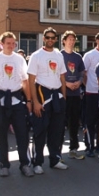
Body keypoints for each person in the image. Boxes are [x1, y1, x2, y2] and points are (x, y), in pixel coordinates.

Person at [0, 32, 34, 177]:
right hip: (0, 100)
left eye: (13, 43)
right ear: (2, 44)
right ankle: (4, 164)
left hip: (17, 100)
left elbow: (25, 82)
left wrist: (29, 101)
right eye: (8, 43)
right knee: (1, 134)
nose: (11, 46)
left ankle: (25, 164)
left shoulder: (19, 59)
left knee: (22, 134)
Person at [27, 27, 68, 174]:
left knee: (56, 131)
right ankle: (37, 162)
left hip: (57, 95)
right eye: (48, 37)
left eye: (53, 37)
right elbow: (31, 80)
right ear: (43, 38)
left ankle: (55, 159)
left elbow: (62, 77)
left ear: (56, 39)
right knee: (40, 130)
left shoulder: (59, 55)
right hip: (42, 94)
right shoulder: (36, 55)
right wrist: (35, 102)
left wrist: (64, 97)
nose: (50, 39)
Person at [82, 32, 99, 157]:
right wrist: (88, 86)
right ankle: (89, 146)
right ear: (97, 41)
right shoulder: (89, 55)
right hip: (91, 93)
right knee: (90, 121)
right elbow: (84, 73)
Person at [61, 31, 85, 160]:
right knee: (60, 123)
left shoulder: (77, 57)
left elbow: (82, 72)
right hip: (62, 94)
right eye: (69, 39)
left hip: (75, 93)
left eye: (73, 39)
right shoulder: (59, 55)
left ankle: (73, 148)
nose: (71, 41)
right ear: (64, 41)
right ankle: (57, 152)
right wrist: (66, 84)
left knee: (74, 122)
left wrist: (79, 82)